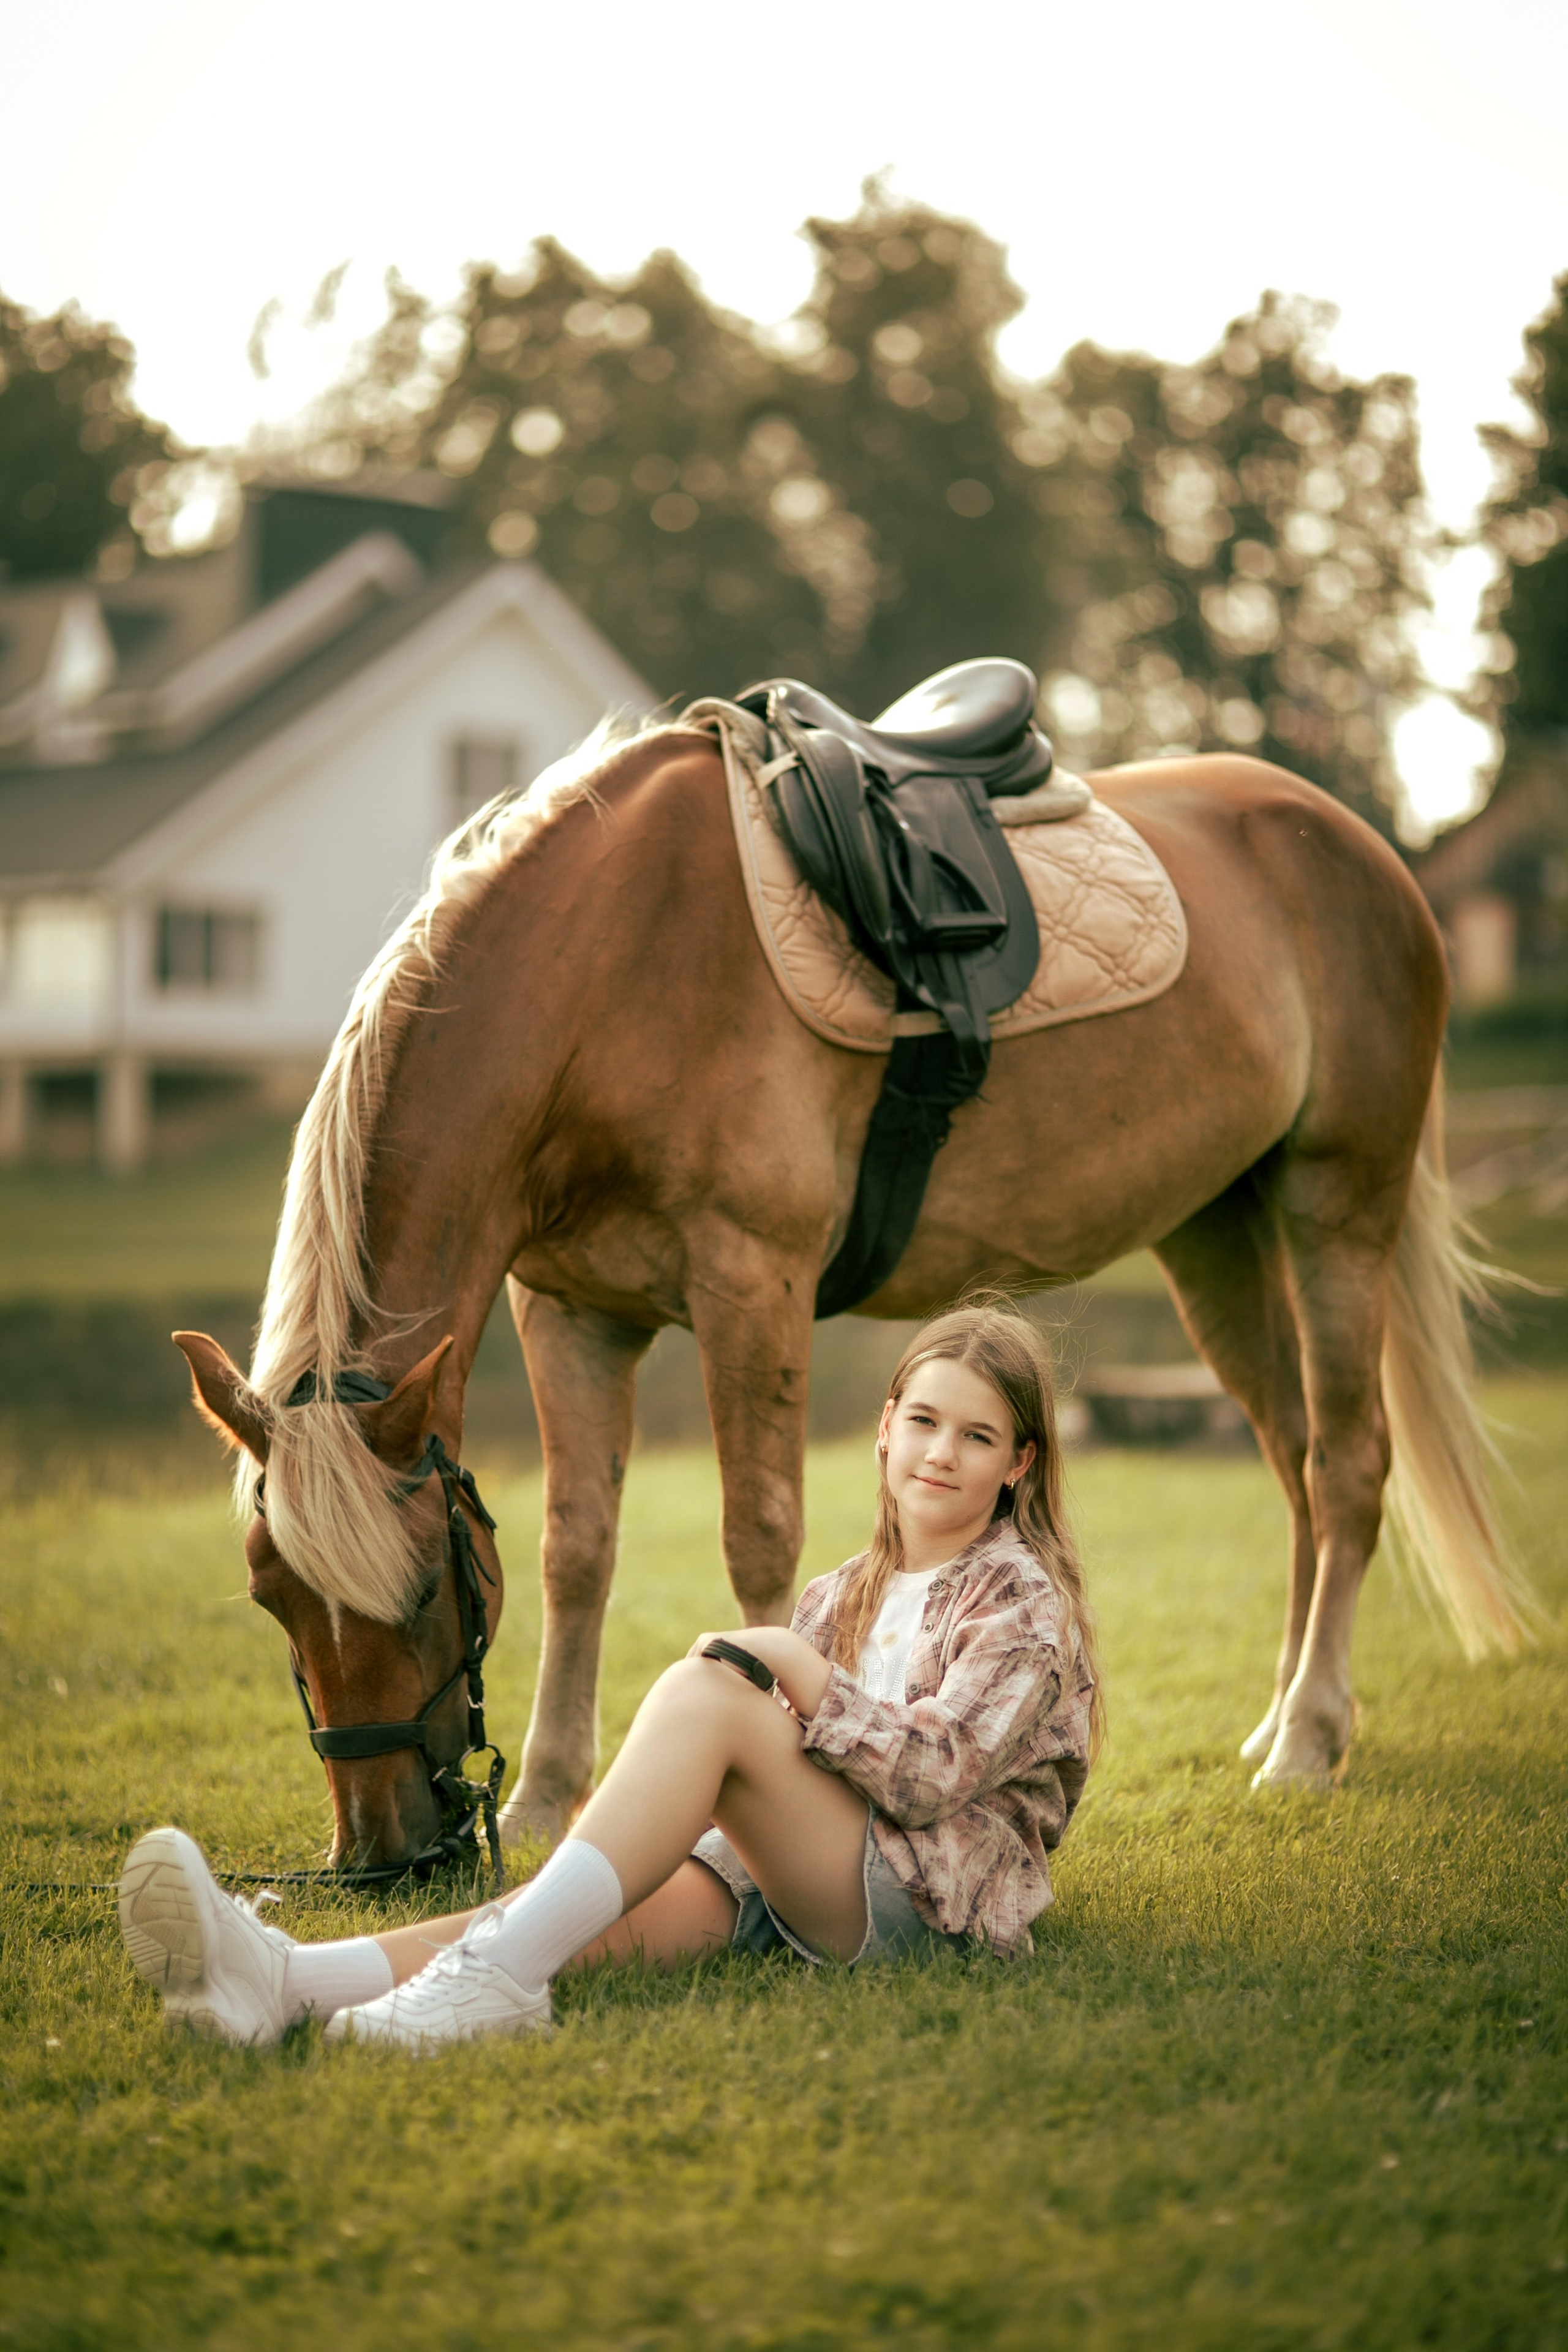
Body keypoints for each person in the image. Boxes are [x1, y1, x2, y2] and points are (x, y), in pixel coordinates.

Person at [117, 1298, 1101, 2051]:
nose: (941, 1453)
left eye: (977, 1437)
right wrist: (647, 1849)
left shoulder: (1023, 1602)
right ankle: (286, 1980)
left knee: (709, 1695)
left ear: (1019, 1464)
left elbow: (930, 1779)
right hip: (796, 1886)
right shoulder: (842, 1591)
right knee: (568, 1916)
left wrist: (791, 1662)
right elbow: (791, 1775)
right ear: (886, 1426)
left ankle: (497, 1986)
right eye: (924, 1420)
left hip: (927, 1907)